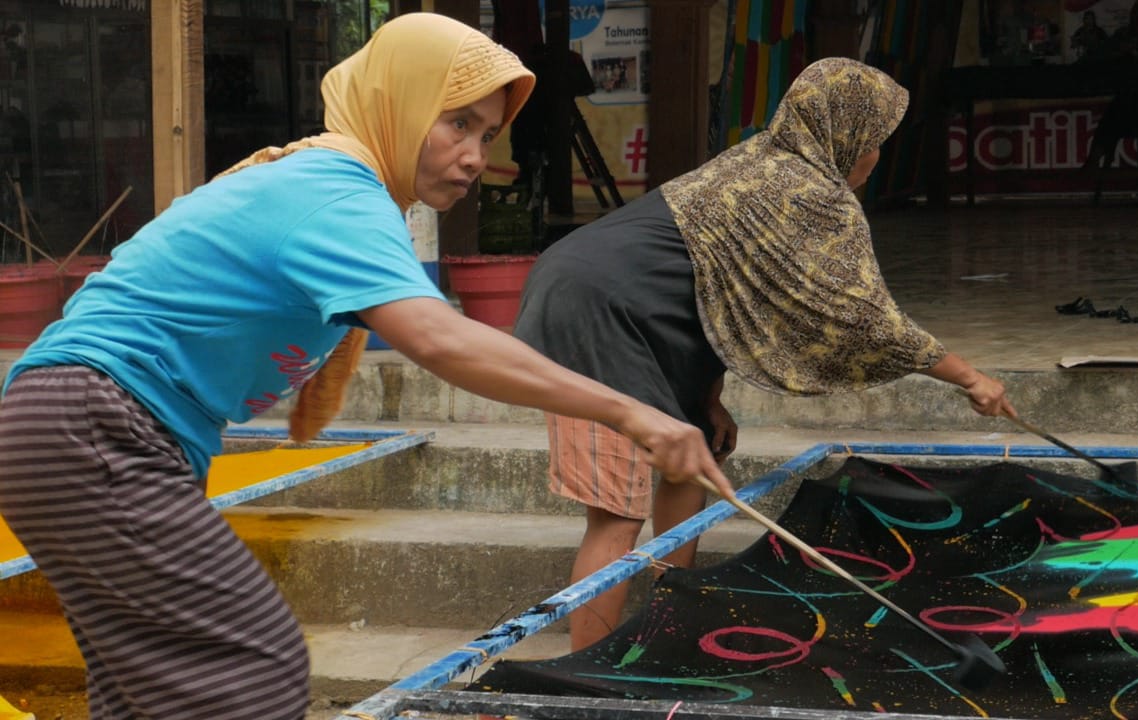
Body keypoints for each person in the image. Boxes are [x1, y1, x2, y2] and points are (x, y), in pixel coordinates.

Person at [0, 13, 732, 720]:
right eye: (457, 124)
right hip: (94, 425)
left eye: (485, 133)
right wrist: (631, 410)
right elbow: (442, 340)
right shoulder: (334, 193)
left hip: (85, 431)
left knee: (149, 692)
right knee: (253, 667)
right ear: (400, 104)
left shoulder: (335, 192)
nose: (476, 155)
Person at [513, 57, 1017, 652]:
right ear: (846, 135)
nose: (875, 157)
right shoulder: (803, 190)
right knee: (616, 516)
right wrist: (971, 379)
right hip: (591, 313)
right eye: (876, 143)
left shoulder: (761, 160)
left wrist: (709, 398)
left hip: (641, 316)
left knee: (690, 454)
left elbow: (727, 288)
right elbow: (866, 319)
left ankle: (671, 615)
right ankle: (585, 677)